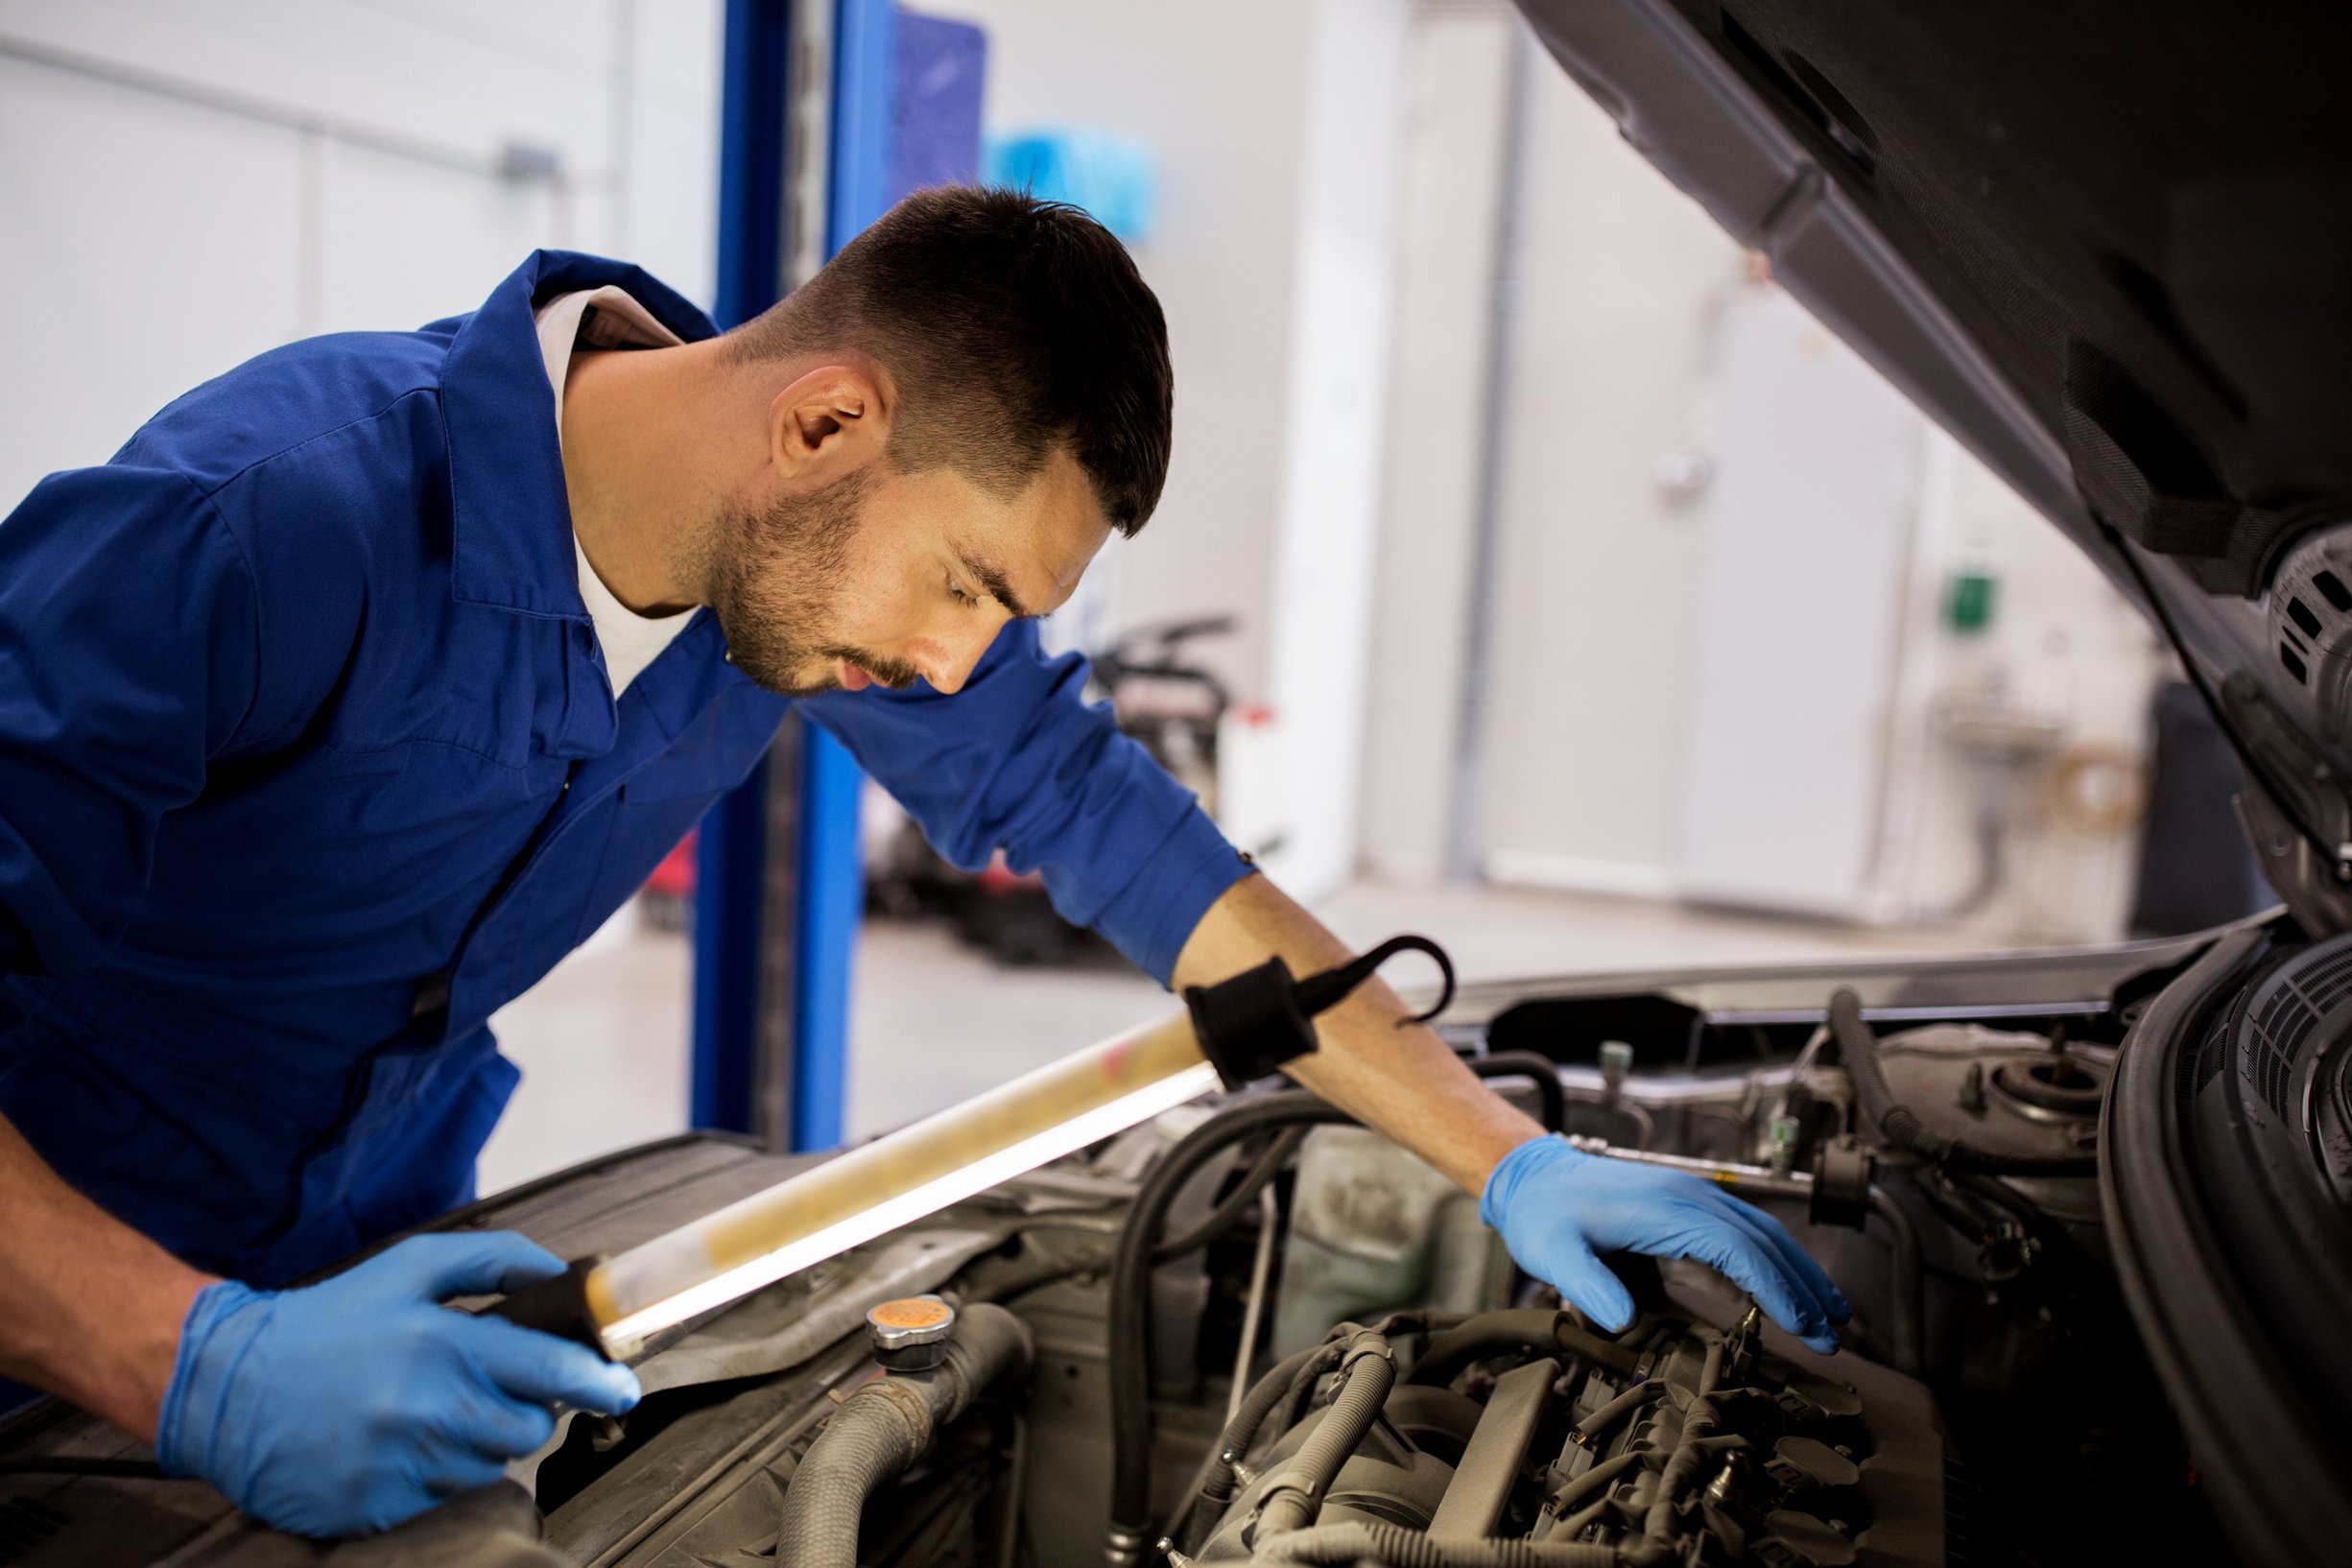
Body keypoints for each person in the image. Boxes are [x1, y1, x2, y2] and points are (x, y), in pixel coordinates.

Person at [0, 188, 1844, 1537]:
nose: (962, 664)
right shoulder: (264, 521)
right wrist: (193, 1363)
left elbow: (1136, 842)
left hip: (374, 1270)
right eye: (968, 584)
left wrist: (1508, 1155)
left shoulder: (776, 583)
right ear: (824, 421)